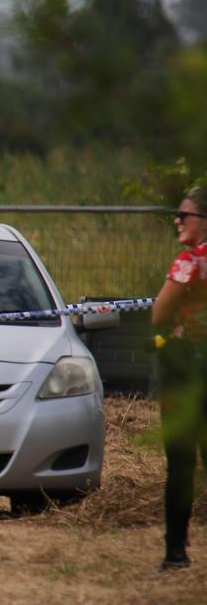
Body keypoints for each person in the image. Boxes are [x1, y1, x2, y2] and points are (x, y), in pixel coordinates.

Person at [150, 184, 207, 571]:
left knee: (182, 463)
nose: (177, 221)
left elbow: (159, 316)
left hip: (189, 370)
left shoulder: (190, 262)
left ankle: (175, 553)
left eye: (183, 215)